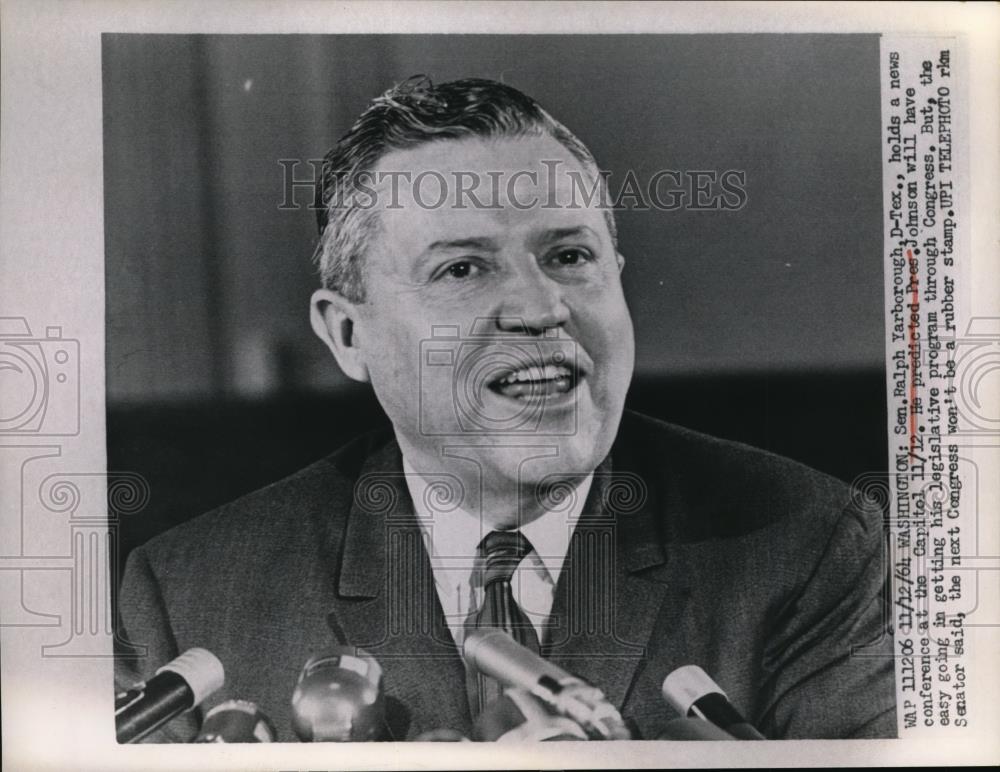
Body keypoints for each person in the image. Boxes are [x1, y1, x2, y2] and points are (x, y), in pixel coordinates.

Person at [116, 76, 896, 741]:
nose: (540, 307)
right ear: (349, 335)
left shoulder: (807, 546)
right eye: (462, 268)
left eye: (569, 256)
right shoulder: (191, 595)